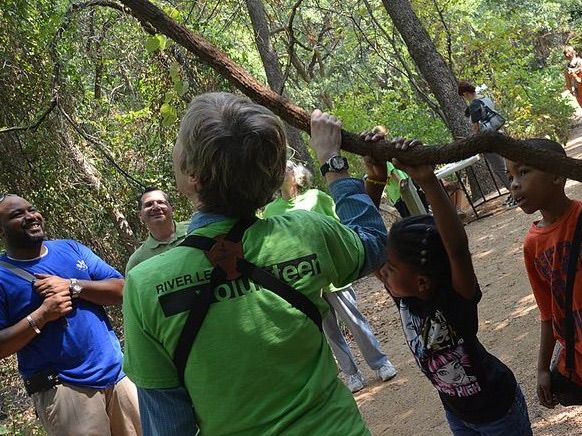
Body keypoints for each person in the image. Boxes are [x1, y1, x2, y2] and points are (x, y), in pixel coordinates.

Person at [122, 92, 387, 435]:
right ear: (276, 174)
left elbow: (168, 423)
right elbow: (374, 245)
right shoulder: (306, 234)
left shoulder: (145, 284)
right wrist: (333, 163)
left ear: (191, 174)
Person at [363, 135, 532, 435]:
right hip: (456, 413)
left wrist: (428, 180)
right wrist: (374, 182)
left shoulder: (457, 302)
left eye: (389, 267)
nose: (381, 272)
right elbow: (369, 242)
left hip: (498, 413)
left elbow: (457, 249)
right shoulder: (404, 295)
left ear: (423, 281)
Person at [0, 194, 141, 436]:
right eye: (17, 215)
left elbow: (123, 289)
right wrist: (42, 315)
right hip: (65, 389)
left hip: (118, 377)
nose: (30, 217)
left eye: (31, 209)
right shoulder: (3, 276)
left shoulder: (71, 249)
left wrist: (72, 285)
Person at [263, 160, 397, 393]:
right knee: (330, 331)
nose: (285, 169)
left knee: (354, 320)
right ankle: (351, 374)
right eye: (281, 167)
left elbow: (339, 227)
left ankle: (380, 363)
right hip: (305, 282)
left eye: (290, 165)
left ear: (299, 174)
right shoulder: (271, 212)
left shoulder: (316, 197)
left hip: (334, 273)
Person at [505, 139, 582, 409]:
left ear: (558, 174)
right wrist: (542, 369)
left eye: (523, 172)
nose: (514, 184)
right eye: (510, 176)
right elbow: (548, 311)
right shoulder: (533, 244)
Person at [458, 80, 517, 209]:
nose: (464, 99)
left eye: (463, 96)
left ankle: (515, 194)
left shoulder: (474, 105)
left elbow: (476, 127)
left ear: (466, 93)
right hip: (498, 134)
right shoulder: (485, 98)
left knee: (500, 169)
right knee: (505, 165)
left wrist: (477, 144)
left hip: (488, 140)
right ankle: (514, 192)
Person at [125, 188, 189, 274]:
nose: (156, 207)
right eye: (149, 204)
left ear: (172, 208)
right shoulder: (138, 260)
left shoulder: (195, 229)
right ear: (140, 215)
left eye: (161, 202)